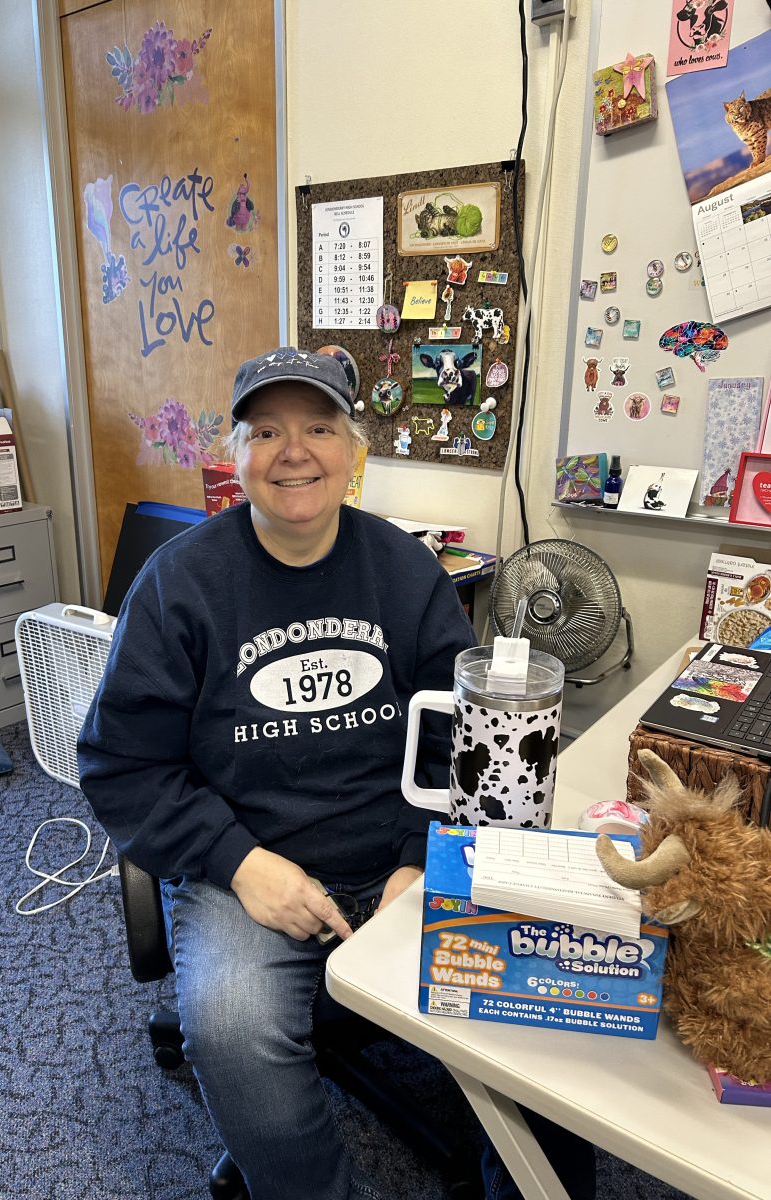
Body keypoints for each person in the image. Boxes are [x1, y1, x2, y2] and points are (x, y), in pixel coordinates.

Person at [78, 347, 594, 1200]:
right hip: (246, 870)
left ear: (353, 450)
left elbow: (460, 736)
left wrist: (417, 855)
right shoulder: (178, 585)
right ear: (235, 451)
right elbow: (121, 761)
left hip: (401, 854)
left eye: (319, 427)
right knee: (233, 1029)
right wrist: (243, 865)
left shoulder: (403, 570)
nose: (295, 451)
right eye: (268, 430)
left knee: (546, 995)